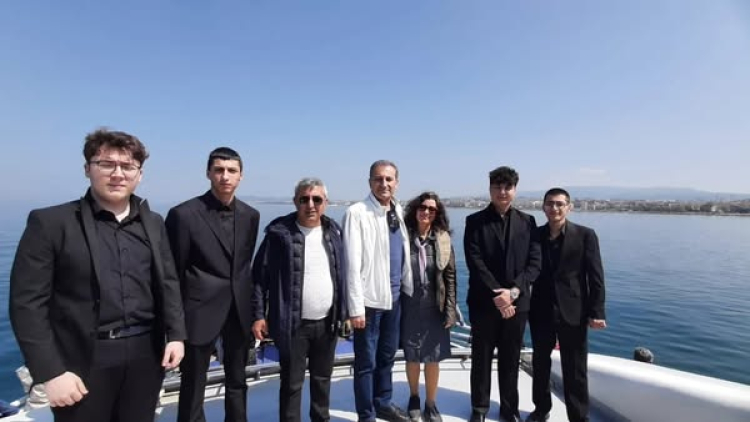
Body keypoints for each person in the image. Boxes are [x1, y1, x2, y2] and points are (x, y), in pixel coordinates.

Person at [9, 129, 186, 422]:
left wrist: (176, 335)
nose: (118, 173)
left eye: (127, 166)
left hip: (146, 356)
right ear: (87, 169)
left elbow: (168, 282)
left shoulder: (153, 223)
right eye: (106, 164)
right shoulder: (51, 223)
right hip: (82, 362)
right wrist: (51, 372)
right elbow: (26, 304)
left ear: (139, 174)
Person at [166, 147, 260, 422]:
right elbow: (173, 272)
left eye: (232, 171)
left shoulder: (251, 215)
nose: (225, 176)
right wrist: (174, 324)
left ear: (241, 176)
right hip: (198, 311)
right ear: (208, 173)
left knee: (238, 381)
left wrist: (254, 311)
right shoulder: (183, 215)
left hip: (238, 311)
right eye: (219, 170)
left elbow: (243, 266)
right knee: (193, 385)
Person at [251, 177, 349, 422]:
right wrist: (258, 315)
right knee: (292, 384)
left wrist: (345, 312)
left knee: (322, 380)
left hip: (327, 322)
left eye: (317, 199)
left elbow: (342, 275)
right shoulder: (279, 235)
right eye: (304, 199)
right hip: (292, 325)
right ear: (295, 202)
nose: (311, 205)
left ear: (326, 202)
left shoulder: (334, 232)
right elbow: (259, 278)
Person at [464, 166, 541, 422]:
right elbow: (475, 262)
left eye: (508, 187)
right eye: (497, 186)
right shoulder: (474, 221)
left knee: (511, 358)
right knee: (481, 358)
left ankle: (509, 408)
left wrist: (513, 292)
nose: (502, 191)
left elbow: (534, 263)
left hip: (518, 304)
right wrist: (498, 295)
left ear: (515, 190)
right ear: (490, 189)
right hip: (484, 303)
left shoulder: (528, 222)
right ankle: (479, 408)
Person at [527, 188, 606, 422]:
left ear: (569, 207)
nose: (555, 208)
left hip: (574, 311)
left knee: (575, 368)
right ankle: (541, 409)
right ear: (543, 207)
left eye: (560, 204)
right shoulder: (534, 235)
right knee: (540, 364)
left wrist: (597, 311)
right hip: (540, 310)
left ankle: (578, 417)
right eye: (550, 203)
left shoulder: (585, 235)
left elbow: (596, 277)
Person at [343, 160, 413, 422]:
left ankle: (383, 402)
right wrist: (355, 307)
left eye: (389, 179)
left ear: (397, 183)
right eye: (378, 179)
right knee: (366, 363)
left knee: (387, 356)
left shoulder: (397, 210)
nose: (384, 184)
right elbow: (350, 264)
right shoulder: (357, 213)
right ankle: (366, 415)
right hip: (369, 302)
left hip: (394, 299)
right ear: (370, 182)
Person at [400, 192, 457, 422]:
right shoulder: (403, 236)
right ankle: (414, 397)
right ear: (415, 209)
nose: (426, 212)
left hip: (435, 307)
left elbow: (450, 277)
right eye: (423, 207)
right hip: (409, 306)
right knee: (412, 356)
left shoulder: (442, 240)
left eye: (432, 209)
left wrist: (450, 309)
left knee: (433, 358)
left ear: (437, 214)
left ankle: (431, 403)